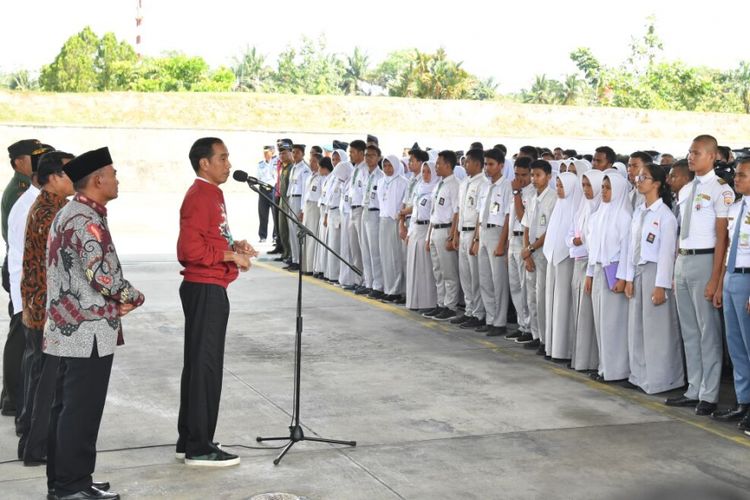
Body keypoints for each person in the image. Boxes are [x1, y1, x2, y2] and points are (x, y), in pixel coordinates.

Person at [45, 146, 145, 499]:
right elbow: (100, 275)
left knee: (66, 407)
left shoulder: (70, 212)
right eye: (113, 173)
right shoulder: (86, 219)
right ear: (98, 179)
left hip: (68, 327)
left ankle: (65, 481)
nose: (117, 180)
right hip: (86, 330)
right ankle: (73, 486)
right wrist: (132, 296)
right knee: (81, 411)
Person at [176, 138, 256, 467]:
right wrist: (230, 255)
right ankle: (199, 446)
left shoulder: (214, 193)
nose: (228, 164)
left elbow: (209, 237)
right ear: (204, 163)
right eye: (222, 158)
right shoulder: (199, 196)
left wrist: (235, 245)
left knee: (201, 365)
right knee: (205, 368)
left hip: (211, 287)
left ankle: (192, 437)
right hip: (204, 288)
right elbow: (189, 251)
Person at [666, 135, 733, 416]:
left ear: (712, 156)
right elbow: (682, 231)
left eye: (696, 153)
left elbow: (723, 239)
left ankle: (709, 393)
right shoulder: (686, 190)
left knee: (708, 332)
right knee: (690, 330)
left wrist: (715, 279)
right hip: (684, 260)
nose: (691, 157)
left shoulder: (721, 191)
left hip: (706, 261)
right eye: (690, 152)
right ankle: (694, 388)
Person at [17, 151, 74, 466]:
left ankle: (32, 440)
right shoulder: (51, 211)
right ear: (52, 177)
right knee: (46, 384)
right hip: (47, 311)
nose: (74, 178)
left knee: (41, 380)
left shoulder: (53, 206)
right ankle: (36, 447)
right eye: (68, 173)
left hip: (39, 308)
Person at [624, 163, 684, 394]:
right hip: (638, 271)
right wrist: (628, 278)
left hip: (655, 272)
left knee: (657, 329)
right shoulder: (639, 211)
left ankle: (661, 379)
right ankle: (639, 375)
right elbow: (632, 246)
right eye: (639, 177)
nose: (639, 181)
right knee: (637, 326)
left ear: (657, 183)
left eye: (645, 177)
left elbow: (667, 254)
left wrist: (661, 285)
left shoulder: (665, 216)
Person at [7, 143, 52, 432]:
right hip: (31, 294)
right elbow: (25, 257)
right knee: (28, 356)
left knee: (30, 357)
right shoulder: (29, 206)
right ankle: (24, 415)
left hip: (34, 294)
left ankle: (26, 414)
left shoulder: (42, 203)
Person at [1, 139, 39, 417]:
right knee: (19, 334)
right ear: (18, 163)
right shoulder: (21, 191)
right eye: (31, 157)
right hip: (20, 267)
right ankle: (13, 398)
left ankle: (10, 394)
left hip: (22, 266)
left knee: (23, 335)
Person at [713, 157, 750, 429]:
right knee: (736, 347)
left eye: (743, 175)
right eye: (736, 174)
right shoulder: (735, 207)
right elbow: (728, 247)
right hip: (732, 277)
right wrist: (721, 282)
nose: (736, 179)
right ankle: (743, 402)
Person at [585, 173, 631, 382]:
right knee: (600, 322)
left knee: (614, 324)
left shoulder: (624, 216)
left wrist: (622, 277)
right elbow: (593, 248)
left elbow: (627, 251)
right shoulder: (597, 215)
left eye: (608, 188)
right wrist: (589, 274)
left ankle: (617, 370)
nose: (603, 191)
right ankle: (604, 367)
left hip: (614, 272)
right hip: (598, 271)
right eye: (602, 187)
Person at [567, 170, 604, 371]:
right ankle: (580, 359)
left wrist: (579, 241)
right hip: (578, 262)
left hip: (590, 265)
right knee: (579, 312)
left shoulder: (600, 209)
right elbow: (571, 236)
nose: (586, 190)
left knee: (589, 315)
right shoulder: (583, 207)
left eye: (590, 185)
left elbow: (590, 242)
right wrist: (576, 241)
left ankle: (591, 361)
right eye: (584, 185)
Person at [543, 172, 582, 360]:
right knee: (551, 302)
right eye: (557, 185)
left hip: (566, 260)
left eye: (562, 186)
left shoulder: (577, 208)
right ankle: (551, 347)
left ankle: (563, 350)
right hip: (553, 260)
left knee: (563, 304)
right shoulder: (559, 206)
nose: (559, 190)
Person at [473, 148, 512, 336]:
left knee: (499, 281)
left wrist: (502, 243)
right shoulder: (485, 185)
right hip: (484, 232)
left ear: (501, 166)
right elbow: (480, 215)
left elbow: (507, 217)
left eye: (491, 164)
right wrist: (476, 238)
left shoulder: (506, 186)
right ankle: (490, 318)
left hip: (497, 234)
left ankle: (500, 321)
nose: (487, 168)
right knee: (485, 279)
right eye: (486, 164)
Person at [519, 160, 556, 350]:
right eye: (532, 175)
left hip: (542, 253)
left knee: (542, 297)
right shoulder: (532, 197)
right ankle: (535, 333)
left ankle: (545, 339)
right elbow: (526, 226)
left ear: (548, 177)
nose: (534, 179)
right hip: (531, 253)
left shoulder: (553, 199)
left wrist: (531, 249)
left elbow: (549, 231)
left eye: (538, 175)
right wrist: (526, 251)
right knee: (531, 296)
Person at [453, 148, 490, 329]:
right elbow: (460, 210)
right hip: (463, 232)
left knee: (476, 277)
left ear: (477, 163)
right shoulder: (464, 183)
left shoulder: (483, 183)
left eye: (467, 161)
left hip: (474, 234)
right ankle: (469, 310)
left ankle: (478, 313)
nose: (465, 164)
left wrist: (476, 239)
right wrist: (456, 234)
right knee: (465, 275)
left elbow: (479, 214)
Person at [424, 151, 461, 320]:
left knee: (448, 272)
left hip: (446, 229)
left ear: (448, 165)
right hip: (435, 229)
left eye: (439, 163)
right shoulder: (440, 184)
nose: (436, 166)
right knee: (438, 271)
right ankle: (440, 303)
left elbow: (456, 212)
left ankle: (450, 305)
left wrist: (452, 236)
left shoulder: (455, 185)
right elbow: (434, 212)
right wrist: (428, 236)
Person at [505, 157, 535, 342]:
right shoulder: (515, 191)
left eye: (524, 175)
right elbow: (510, 218)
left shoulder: (530, 193)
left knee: (526, 287)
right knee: (515, 286)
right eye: (516, 174)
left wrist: (516, 193)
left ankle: (530, 327)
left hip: (525, 241)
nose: (520, 178)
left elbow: (523, 217)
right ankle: (522, 324)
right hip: (513, 240)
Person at [405, 160, 438, 310]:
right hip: (416, 229)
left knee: (426, 268)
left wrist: (428, 236)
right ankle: (415, 301)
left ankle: (428, 302)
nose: (425, 175)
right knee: (414, 266)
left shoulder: (435, 190)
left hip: (426, 229)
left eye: (428, 171)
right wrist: (410, 232)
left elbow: (433, 215)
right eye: (423, 171)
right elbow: (414, 213)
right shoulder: (419, 188)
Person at [378, 155, 409, 302]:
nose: (387, 169)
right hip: (383, 220)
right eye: (385, 166)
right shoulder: (381, 181)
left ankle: (397, 289)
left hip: (395, 221)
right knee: (385, 256)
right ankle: (388, 287)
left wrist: (400, 220)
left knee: (396, 256)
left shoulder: (403, 182)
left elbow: (403, 204)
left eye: (390, 165)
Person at [361, 145, 385, 298]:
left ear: (378, 158)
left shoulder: (381, 176)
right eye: (366, 155)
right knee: (366, 250)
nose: (368, 158)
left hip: (376, 214)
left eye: (372, 155)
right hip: (365, 211)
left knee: (375, 252)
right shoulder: (365, 174)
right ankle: (369, 282)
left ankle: (378, 285)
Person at [285, 144, 311, 271]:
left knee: (296, 230)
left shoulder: (305, 169)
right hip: (291, 199)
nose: (294, 155)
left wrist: (302, 209)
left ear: (302, 154)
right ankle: (294, 258)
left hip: (298, 199)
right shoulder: (294, 167)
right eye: (293, 152)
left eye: (297, 153)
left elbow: (305, 190)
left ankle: (299, 260)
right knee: (291, 230)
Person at [346, 140, 368, 288]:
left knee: (363, 247)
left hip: (361, 209)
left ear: (361, 153)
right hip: (352, 209)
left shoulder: (366, 169)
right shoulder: (355, 169)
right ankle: (357, 279)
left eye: (353, 152)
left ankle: (366, 280)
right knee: (354, 247)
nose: (350, 155)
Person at [300, 152, 323, 275]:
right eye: (311, 161)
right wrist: (302, 210)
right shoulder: (310, 176)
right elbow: (305, 195)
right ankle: (306, 266)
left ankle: (312, 267)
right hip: (308, 207)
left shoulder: (321, 177)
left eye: (314, 161)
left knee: (312, 237)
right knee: (306, 237)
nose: (311, 163)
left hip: (315, 207)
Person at [314, 157, 334, 278]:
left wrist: (326, 215)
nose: (318, 169)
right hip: (322, 210)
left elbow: (329, 199)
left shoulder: (332, 178)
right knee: (321, 241)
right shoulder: (326, 178)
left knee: (326, 242)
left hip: (327, 211)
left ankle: (325, 270)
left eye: (320, 167)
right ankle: (321, 268)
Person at [256, 145, 277, 243]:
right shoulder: (261, 164)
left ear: (272, 153)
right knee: (263, 214)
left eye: (267, 152)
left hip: (273, 190)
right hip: (263, 189)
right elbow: (258, 177)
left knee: (275, 214)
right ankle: (262, 236)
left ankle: (275, 236)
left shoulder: (276, 163)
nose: (265, 155)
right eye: (264, 153)